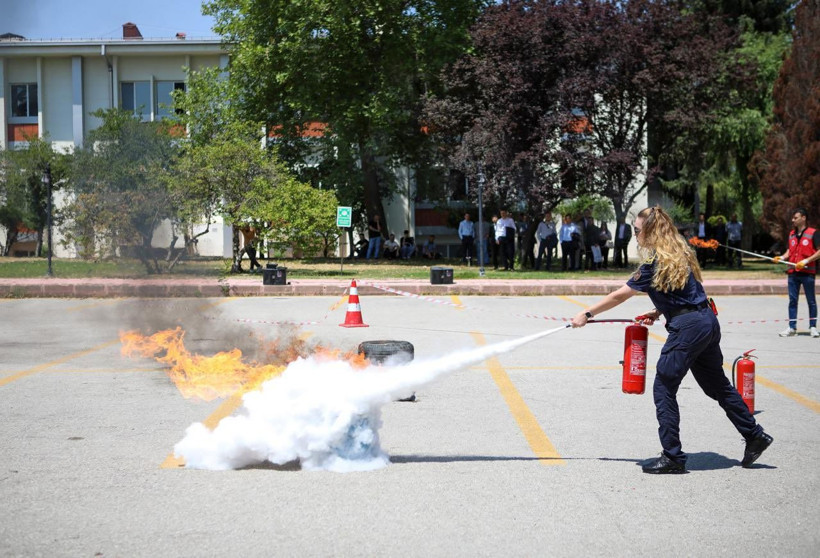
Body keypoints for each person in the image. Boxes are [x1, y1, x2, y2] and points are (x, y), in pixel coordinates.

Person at [571, 206, 773, 474]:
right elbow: (686, 292)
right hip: (706, 321)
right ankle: (754, 435)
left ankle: (673, 457)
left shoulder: (654, 262)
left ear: (651, 231)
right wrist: (659, 311)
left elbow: (621, 295)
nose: (635, 235)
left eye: (638, 231)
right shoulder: (679, 254)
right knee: (718, 386)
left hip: (688, 329)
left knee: (664, 387)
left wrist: (586, 314)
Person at [774, 208, 820, 338]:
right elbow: (790, 251)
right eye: (793, 218)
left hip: (807, 273)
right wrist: (782, 258)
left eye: (795, 217)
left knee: (811, 300)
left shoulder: (813, 233)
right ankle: (792, 327)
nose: (793, 220)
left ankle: (813, 327)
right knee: (792, 300)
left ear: (803, 218)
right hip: (793, 273)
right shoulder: (791, 234)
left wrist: (807, 260)